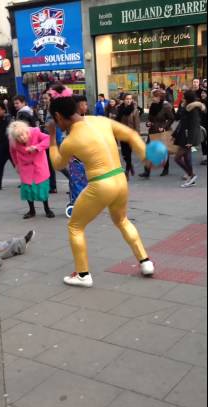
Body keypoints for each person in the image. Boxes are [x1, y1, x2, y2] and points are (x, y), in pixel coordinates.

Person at [46, 84, 155, 287]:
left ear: (59, 117)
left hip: (101, 184)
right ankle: (145, 261)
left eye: (55, 119)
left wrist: (52, 139)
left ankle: (82, 274)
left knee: (75, 226)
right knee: (122, 220)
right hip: (120, 179)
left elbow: (58, 164)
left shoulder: (70, 140)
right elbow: (131, 135)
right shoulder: (101, 120)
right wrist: (144, 155)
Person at [8, 121, 56, 219]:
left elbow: (48, 139)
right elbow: (12, 152)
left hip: (39, 165)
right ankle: (31, 210)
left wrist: (37, 147)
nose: (21, 138)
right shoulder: (13, 141)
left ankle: (47, 209)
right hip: (25, 167)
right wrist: (16, 164)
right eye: (18, 137)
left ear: (26, 131)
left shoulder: (35, 132)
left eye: (22, 135)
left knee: (42, 187)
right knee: (27, 189)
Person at [172, 90, 205, 187]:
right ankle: (191, 178)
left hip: (187, 138)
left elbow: (194, 126)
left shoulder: (193, 110)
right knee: (186, 157)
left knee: (177, 158)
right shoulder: (185, 107)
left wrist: (190, 141)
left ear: (187, 98)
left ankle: (192, 175)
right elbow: (177, 118)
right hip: (183, 136)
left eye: (183, 97)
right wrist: (180, 107)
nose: (182, 98)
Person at [140, 89, 175, 178]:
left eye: (154, 97)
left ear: (159, 97)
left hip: (161, 131)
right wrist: (148, 123)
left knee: (163, 151)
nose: (152, 98)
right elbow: (150, 118)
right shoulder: (153, 105)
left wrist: (164, 127)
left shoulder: (166, 106)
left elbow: (171, 118)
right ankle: (146, 172)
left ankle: (166, 169)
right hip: (152, 130)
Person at [116, 93, 140, 180]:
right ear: (123, 100)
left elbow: (137, 125)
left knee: (128, 153)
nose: (129, 100)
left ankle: (127, 171)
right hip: (122, 134)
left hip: (131, 135)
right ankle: (130, 165)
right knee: (124, 154)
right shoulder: (119, 109)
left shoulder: (135, 110)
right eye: (127, 99)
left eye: (130, 99)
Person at [199, 89, 208, 165]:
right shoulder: (200, 103)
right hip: (202, 125)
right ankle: (204, 157)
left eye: (204, 93)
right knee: (203, 141)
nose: (202, 94)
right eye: (202, 93)